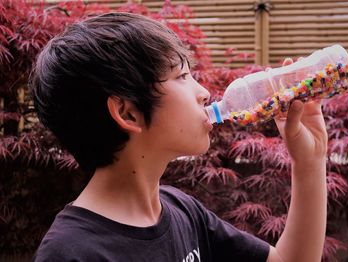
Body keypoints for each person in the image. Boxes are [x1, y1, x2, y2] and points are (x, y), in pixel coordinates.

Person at [30, 12, 327, 262]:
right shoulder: (71, 254)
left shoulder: (182, 210)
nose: (204, 92)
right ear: (128, 113)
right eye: (182, 76)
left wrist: (310, 161)